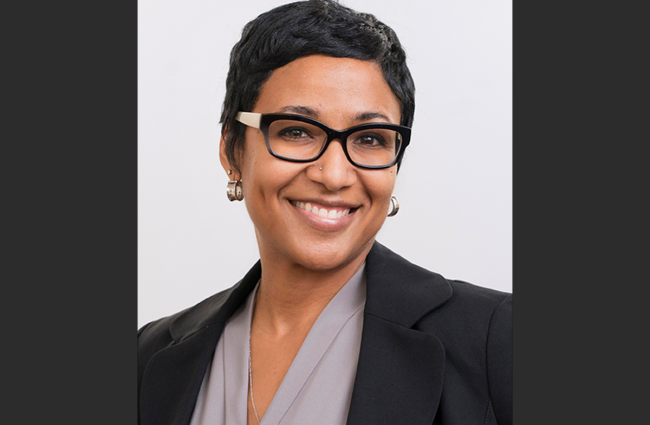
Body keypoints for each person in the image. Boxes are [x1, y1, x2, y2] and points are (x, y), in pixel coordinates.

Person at [137, 1, 512, 424]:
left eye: (370, 138)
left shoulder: (497, 339)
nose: (334, 175)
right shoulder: (149, 356)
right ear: (231, 151)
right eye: (296, 131)